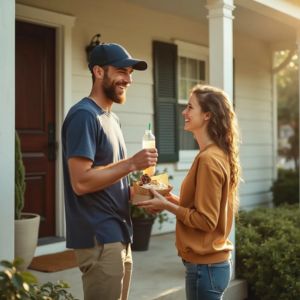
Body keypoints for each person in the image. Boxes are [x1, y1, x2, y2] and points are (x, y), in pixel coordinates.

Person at [61, 43, 158, 300]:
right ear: (98, 72)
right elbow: (81, 182)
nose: (128, 79)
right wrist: (131, 163)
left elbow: (109, 176)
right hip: (99, 237)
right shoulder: (84, 116)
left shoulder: (111, 119)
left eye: (130, 73)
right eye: (121, 71)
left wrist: (142, 195)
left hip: (119, 234)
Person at [138, 84, 241, 300]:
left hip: (206, 269)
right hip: (211, 267)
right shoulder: (215, 155)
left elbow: (206, 220)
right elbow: (200, 209)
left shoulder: (208, 160)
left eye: (190, 107)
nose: (184, 112)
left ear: (206, 115)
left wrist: (167, 206)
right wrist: (167, 197)